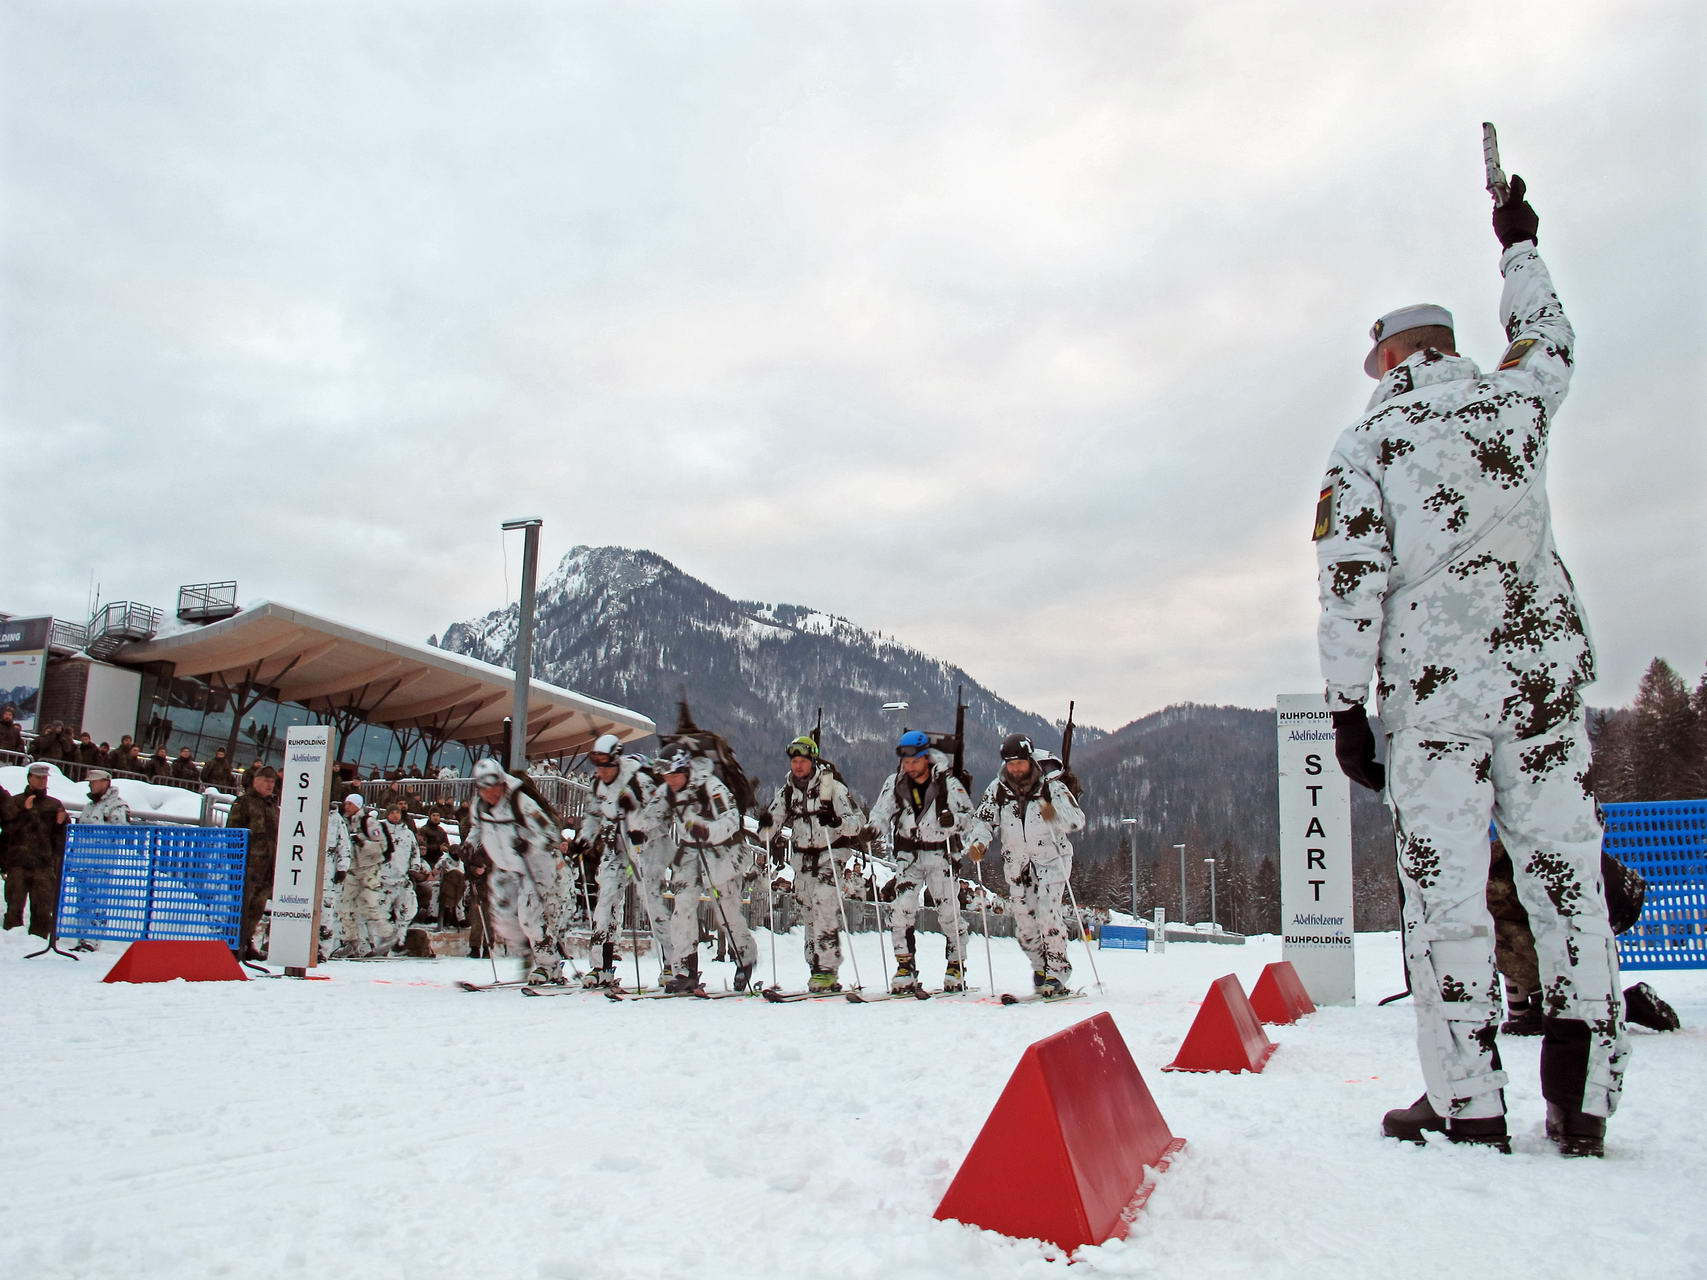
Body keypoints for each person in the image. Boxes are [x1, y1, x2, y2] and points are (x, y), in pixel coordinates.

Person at [1314, 175, 1626, 1158]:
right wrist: (1519, 245)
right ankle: (1584, 1096)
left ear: (1396, 356)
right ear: (1451, 345)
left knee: (1446, 895)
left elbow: (1350, 582)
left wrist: (1344, 706)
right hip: (1539, 687)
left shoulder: (1371, 440)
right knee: (1566, 877)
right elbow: (1553, 340)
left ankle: (1468, 1100)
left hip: (1435, 702)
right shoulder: (1515, 403)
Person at [971, 733, 1085, 997]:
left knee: (1048, 914)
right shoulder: (998, 789)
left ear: (1029, 759)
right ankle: (1040, 967)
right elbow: (984, 820)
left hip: (1052, 859)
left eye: (1019, 763)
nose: (1015, 768)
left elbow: (1077, 820)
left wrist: (1053, 815)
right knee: (1024, 924)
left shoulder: (1052, 787)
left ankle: (1057, 972)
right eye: (1010, 763)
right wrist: (979, 842)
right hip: (1017, 863)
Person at [868, 730, 977, 993]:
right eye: (905, 761)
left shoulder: (948, 783)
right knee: (900, 910)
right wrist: (872, 828)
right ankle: (905, 966)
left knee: (949, 912)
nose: (909, 766)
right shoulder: (896, 782)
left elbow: (970, 818)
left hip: (941, 854)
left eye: (914, 760)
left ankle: (956, 964)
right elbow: (882, 811)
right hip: (909, 856)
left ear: (925, 758)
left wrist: (954, 822)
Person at [757, 735, 867, 993]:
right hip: (803, 859)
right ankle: (815, 966)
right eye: (794, 761)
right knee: (808, 912)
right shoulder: (786, 792)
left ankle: (828, 968)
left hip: (831, 854)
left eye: (802, 761)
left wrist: (837, 822)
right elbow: (770, 825)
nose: (797, 766)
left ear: (812, 761)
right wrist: (765, 827)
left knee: (824, 906)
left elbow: (858, 822)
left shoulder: (833, 789)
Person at [646, 748, 756, 993]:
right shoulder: (668, 790)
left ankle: (744, 957)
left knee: (725, 910)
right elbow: (651, 814)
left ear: (685, 770)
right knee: (682, 907)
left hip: (722, 851)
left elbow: (731, 819)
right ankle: (685, 970)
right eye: (665, 776)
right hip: (689, 852)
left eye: (673, 775)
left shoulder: (711, 786)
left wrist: (706, 830)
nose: (670, 781)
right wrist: (635, 825)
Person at [573, 734, 670, 990]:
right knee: (604, 902)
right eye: (598, 765)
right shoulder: (598, 783)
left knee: (652, 902)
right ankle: (600, 966)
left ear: (617, 759)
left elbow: (662, 808)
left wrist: (642, 826)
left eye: (607, 764)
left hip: (645, 847)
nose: (602, 771)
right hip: (615, 846)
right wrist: (585, 837)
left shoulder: (639, 779)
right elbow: (593, 815)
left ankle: (673, 962)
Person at [464, 758, 565, 982]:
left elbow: (549, 833)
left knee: (530, 917)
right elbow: (477, 827)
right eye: (483, 788)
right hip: (505, 867)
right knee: (502, 920)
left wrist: (530, 843)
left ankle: (549, 965)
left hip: (534, 866)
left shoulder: (521, 802)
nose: (489, 794)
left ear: (502, 783)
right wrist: (470, 844)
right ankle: (529, 951)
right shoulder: (479, 805)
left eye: (493, 787)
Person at [2, 761, 69, 936]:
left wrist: (61, 824)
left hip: (44, 864)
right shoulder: (15, 802)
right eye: (38, 778)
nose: (42, 781)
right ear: (29, 778)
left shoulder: (54, 805)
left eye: (45, 778)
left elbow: (61, 838)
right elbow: (8, 830)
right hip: (18, 863)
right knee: (14, 906)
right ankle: (11, 941)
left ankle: (39, 942)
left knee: (42, 909)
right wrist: (25, 811)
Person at [223, 765, 279, 960]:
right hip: (247, 865)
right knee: (241, 905)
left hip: (267, 866)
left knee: (257, 907)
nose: (269, 785)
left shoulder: (272, 806)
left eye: (272, 782)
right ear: (256, 781)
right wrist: (236, 861)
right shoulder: (244, 803)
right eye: (266, 781)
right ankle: (234, 943)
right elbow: (232, 833)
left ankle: (247, 942)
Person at [333, 794, 391, 958]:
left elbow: (383, 845)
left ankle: (383, 939)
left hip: (368, 871)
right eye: (345, 803)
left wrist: (362, 842)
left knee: (369, 907)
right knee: (346, 907)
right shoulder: (344, 822)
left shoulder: (369, 822)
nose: (346, 807)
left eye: (350, 804)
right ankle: (353, 943)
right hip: (352, 870)